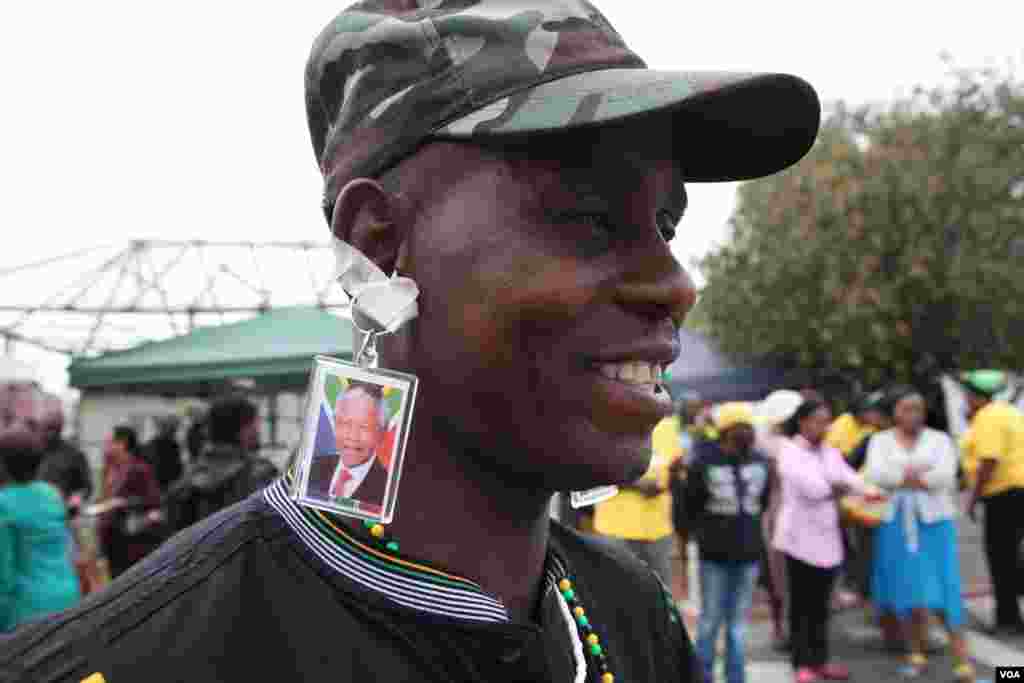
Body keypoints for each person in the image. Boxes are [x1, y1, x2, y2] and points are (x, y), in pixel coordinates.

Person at [0, 2, 821, 680]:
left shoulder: (629, 615)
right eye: (587, 215)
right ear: (381, 243)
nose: (676, 282)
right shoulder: (135, 658)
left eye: (667, 223)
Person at [861, 387, 973, 680]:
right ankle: (915, 653)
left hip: (934, 523)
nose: (913, 415)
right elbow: (876, 474)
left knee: (944, 587)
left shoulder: (940, 440)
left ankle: (961, 659)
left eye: (918, 409)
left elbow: (945, 476)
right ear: (894, 412)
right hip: (895, 522)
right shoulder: (879, 441)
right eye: (906, 408)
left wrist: (903, 477)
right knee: (905, 588)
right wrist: (914, 476)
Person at [774, 399, 885, 683]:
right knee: (802, 606)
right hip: (798, 541)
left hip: (826, 539)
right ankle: (802, 664)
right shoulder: (789, 451)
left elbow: (848, 477)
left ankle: (820, 661)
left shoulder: (828, 451)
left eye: (827, 421)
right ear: (802, 422)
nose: (824, 427)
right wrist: (837, 488)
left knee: (822, 606)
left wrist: (869, 490)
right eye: (818, 421)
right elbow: (813, 489)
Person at [684, 403, 772, 683]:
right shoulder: (704, 461)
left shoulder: (760, 460)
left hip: (749, 552)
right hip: (713, 553)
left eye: (749, 427)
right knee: (709, 620)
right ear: (725, 431)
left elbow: (764, 502)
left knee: (737, 624)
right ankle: (702, 676)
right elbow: (691, 504)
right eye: (740, 427)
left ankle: (736, 678)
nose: (746, 433)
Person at [0, 385, 81, 631]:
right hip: (68, 598)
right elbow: (69, 550)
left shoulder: (4, 504)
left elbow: (4, 576)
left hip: (27, 612)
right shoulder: (52, 495)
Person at [959, 370, 1024, 635]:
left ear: (976, 397)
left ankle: (1008, 619)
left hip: (1004, 495)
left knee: (1001, 557)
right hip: (1018, 490)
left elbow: (989, 459)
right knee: (1012, 555)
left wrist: (973, 498)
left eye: (967, 395)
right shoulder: (1009, 412)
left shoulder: (987, 418)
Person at [165, 396, 277, 533]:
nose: (258, 429)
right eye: (255, 423)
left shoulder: (184, 483)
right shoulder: (259, 475)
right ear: (244, 430)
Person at [593, 413, 682, 588]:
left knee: (660, 597)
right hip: (616, 528)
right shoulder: (605, 425)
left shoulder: (668, 428)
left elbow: (676, 471)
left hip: (658, 528)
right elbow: (595, 473)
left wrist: (670, 481)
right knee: (617, 594)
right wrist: (636, 485)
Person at [753, 389, 804, 651]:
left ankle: (795, 629)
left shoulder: (804, 443)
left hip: (802, 516)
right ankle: (781, 628)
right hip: (777, 515)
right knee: (777, 575)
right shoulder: (765, 445)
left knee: (799, 576)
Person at [97, 426, 165, 578]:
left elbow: (153, 500)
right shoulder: (111, 469)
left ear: (122, 444)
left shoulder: (139, 469)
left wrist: (124, 502)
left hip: (130, 541)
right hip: (111, 540)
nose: (106, 446)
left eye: (109, 442)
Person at [308, 384, 391, 508]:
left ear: (382, 432)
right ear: (335, 423)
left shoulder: (388, 490)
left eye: (364, 426)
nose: (352, 436)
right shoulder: (311, 469)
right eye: (346, 423)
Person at [36, 393, 93, 510]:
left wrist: (77, 498)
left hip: (61, 515)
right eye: (46, 428)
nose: (49, 434)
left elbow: (86, 487)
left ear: (60, 428)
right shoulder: (30, 451)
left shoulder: (74, 455)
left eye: (54, 428)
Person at [826, 391, 887, 460]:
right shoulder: (843, 423)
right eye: (875, 410)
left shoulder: (871, 427)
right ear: (861, 411)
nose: (878, 414)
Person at [143, 414, 184, 492]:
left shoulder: (150, 444)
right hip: (163, 485)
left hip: (160, 485)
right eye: (173, 429)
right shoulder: (171, 445)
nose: (175, 431)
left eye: (174, 429)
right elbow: (177, 468)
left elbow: (177, 467)